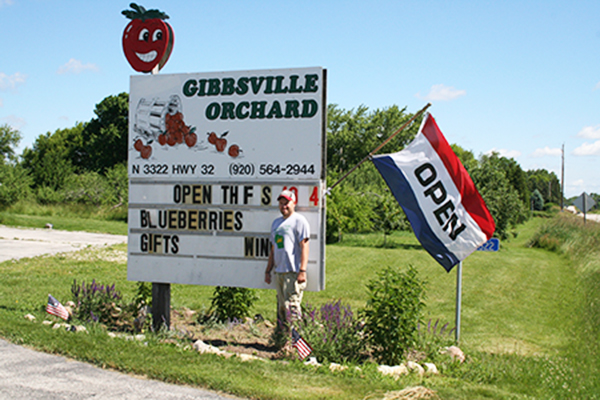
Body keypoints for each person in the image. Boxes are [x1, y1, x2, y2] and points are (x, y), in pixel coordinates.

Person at [264, 189, 310, 329]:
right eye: (281, 203)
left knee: (293, 308)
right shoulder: (276, 223)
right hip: (279, 272)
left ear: (293, 203)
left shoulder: (299, 221)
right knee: (282, 308)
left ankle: (295, 341)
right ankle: (283, 340)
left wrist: (302, 270)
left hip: (293, 272)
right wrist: (268, 270)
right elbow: (273, 249)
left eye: (286, 203)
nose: (284, 206)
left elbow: (305, 246)